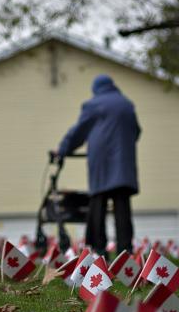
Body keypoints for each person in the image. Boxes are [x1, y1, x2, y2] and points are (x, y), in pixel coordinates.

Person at [55, 74, 141, 256]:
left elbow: (79, 131)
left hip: (102, 163)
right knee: (122, 208)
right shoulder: (126, 104)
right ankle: (125, 252)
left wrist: (62, 149)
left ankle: (98, 249)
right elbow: (136, 131)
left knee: (98, 205)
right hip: (124, 164)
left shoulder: (94, 105)